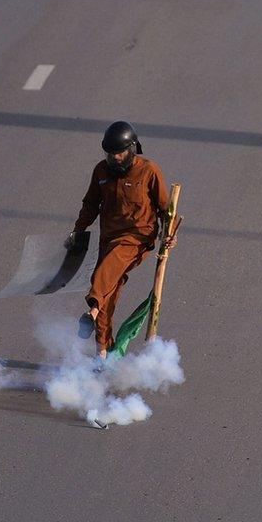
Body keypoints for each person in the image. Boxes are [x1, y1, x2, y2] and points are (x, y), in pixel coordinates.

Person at [66, 121, 177, 359]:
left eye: (120, 152)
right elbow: (90, 204)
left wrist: (169, 234)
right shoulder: (101, 171)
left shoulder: (149, 171)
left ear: (132, 148)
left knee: (105, 272)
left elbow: (166, 209)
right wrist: (78, 230)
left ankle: (92, 309)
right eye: (111, 153)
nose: (115, 157)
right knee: (110, 290)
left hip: (137, 238)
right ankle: (102, 351)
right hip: (109, 237)